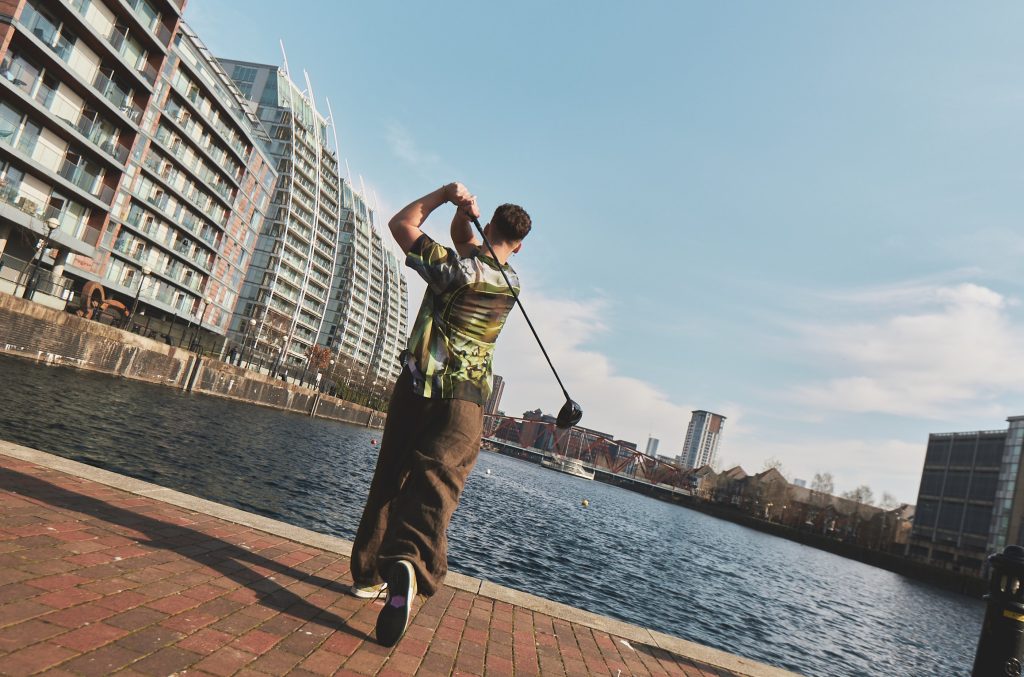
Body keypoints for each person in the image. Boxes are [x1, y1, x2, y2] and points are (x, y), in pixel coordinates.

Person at [350, 181, 531, 646]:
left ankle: (370, 573)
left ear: (488, 226)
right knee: (437, 486)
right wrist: (466, 215)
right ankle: (409, 564)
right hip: (466, 402)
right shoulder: (512, 283)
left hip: (418, 388)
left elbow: (401, 224)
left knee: (391, 475)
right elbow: (469, 243)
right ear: (519, 245)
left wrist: (444, 196)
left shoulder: (453, 269)